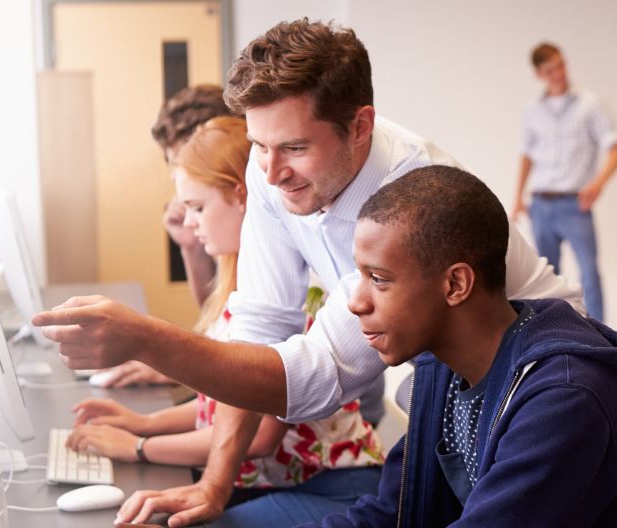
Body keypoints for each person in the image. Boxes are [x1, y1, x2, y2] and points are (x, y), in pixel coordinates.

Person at [32, 19, 582, 526]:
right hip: (448, 388)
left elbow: (313, 380)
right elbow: (259, 327)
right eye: (258, 146)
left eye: (294, 147)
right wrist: (215, 484)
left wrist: (145, 340)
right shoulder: (273, 164)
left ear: (360, 126)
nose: (269, 173)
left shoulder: (412, 197)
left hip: (524, 392)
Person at [67, 116, 383, 526]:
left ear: (242, 196)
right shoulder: (238, 291)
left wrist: (139, 446)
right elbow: (218, 405)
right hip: (281, 482)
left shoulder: (296, 298)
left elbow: (262, 434)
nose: (190, 222)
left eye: (198, 207)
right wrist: (146, 424)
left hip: (336, 488)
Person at [307, 165, 617, 526]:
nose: (356, 303)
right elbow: (392, 513)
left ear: (455, 284)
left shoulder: (563, 398)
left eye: (378, 279)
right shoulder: (443, 374)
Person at [102, 84, 236, 388]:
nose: (176, 177)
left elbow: (250, 363)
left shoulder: (238, 216)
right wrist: (189, 246)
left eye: (183, 161)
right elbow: (217, 318)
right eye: (171, 163)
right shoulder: (212, 220)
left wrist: (176, 367)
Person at [511, 42, 616, 322]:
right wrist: (518, 198)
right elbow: (527, 155)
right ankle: (556, 335)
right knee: (547, 277)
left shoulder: (589, 104)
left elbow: (613, 146)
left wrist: (598, 184)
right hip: (541, 204)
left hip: (575, 203)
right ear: (539, 74)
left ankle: (599, 338)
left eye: (560, 65)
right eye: (550, 70)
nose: (558, 73)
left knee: (589, 273)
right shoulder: (533, 110)